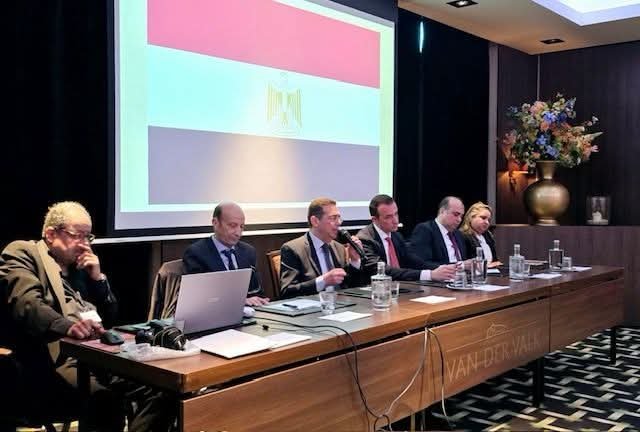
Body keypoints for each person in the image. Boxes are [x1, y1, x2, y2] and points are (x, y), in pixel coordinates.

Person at [0, 202, 174, 431]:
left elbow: (110, 317)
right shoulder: (23, 253)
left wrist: (98, 279)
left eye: (88, 237)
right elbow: (28, 305)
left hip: (100, 355)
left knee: (163, 390)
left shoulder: (80, 268)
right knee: (105, 402)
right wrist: (67, 327)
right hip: (57, 359)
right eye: (77, 236)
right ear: (51, 234)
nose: (85, 244)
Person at [183, 202, 269, 306]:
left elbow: (257, 292)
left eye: (241, 227)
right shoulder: (197, 253)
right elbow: (200, 298)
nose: (238, 232)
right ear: (215, 223)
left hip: (250, 312)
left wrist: (259, 300)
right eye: (232, 226)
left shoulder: (248, 251)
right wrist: (240, 302)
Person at [357, 194, 456, 281]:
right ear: (375, 220)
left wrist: (444, 269)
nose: (395, 220)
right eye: (388, 217)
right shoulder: (365, 239)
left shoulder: (396, 236)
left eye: (396, 214)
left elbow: (412, 261)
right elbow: (384, 271)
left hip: (399, 288)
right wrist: (430, 275)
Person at [280, 197, 365, 298]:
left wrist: (355, 261)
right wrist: (323, 281)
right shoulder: (293, 249)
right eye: (333, 218)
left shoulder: (339, 248)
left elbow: (350, 287)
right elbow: (287, 291)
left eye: (339, 217)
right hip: (313, 306)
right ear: (315, 221)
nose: (339, 222)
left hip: (341, 304)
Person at [409, 196, 469, 268]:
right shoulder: (425, 230)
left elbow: (464, 261)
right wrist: (460, 266)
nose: (459, 220)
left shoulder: (458, 234)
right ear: (442, 211)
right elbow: (421, 263)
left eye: (461, 216)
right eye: (456, 214)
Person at [460, 201, 502, 268]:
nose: (487, 222)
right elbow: (465, 263)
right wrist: (487, 266)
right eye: (483, 218)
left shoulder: (488, 235)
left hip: (492, 272)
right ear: (471, 217)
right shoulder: (462, 236)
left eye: (489, 220)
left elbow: (495, 260)